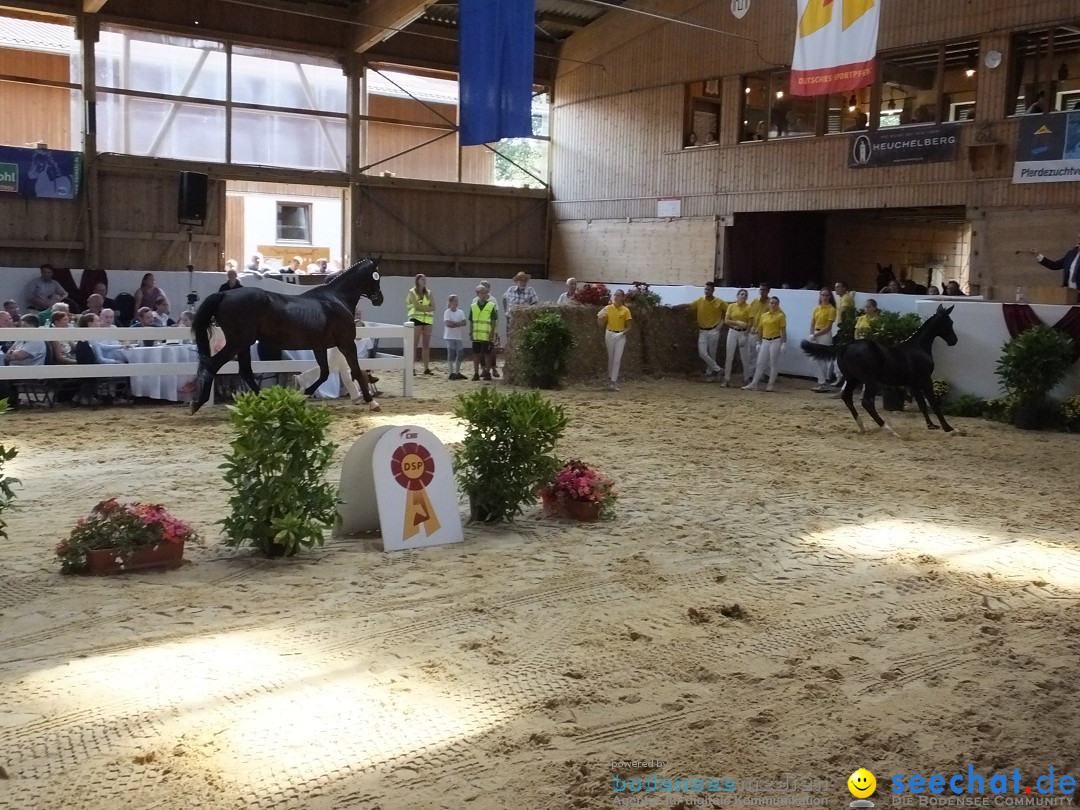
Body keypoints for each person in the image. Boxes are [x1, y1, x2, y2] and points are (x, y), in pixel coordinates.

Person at [742, 296, 786, 392]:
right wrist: (758, 342)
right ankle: (754, 383)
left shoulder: (780, 316)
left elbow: (783, 331)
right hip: (765, 340)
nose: (773, 305)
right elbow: (760, 329)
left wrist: (783, 343)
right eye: (771, 303)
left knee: (773, 363)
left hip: (775, 340)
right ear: (769, 304)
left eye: (775, 303)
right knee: (760, 362)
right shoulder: (764, 315)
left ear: (778, 305)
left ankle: (770, 384)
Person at [688, 281, 726, 380]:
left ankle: (710, 373)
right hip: (703, 330)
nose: (706, 291)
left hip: (714, 329)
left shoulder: (719, 302)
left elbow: (729, 310)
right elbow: (689, 307)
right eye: (705, 289)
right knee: (702, 353)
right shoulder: (700, 301)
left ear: (713, 290)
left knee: (712, 353)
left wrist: (722, 322)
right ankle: (718, 369)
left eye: (709, 289)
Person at [597, 288, 632, 391]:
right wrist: (599, 317)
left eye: (618, 295)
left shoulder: (625, 310)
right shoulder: (608, 308)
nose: (616, 297)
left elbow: (629, 327)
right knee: (611, 358)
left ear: (622, 297)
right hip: (609, 333)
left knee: (617, 359)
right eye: (615, 295)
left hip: (620, 335)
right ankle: (609, 379)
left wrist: (622, 333)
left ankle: (613, 381)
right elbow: (601, 325)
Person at [722, 288, 753, 387]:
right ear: (738, 295)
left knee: (745, 357)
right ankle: (726, 379)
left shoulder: (749, 307)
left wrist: (745, 335)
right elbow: (726, 321)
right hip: (733, 331)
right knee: (729, 356)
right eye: (742, 294)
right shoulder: (731, 306)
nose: (743, 296)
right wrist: (736, 322)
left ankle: (746, 378)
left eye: (745, 295)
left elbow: (750, 323)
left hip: (743, 333)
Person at [808, 287, 837, 393]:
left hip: (824, 334)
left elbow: (828, 327)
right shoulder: (817, 308)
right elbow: (812, 322)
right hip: (816, 333)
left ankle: (823, 383)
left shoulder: (832, 309)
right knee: (815, 359)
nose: (824, 297)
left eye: (826, 295)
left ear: (830, 297)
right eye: (822, 295)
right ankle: (822, 381)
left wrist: (816, 334)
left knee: (823, 360)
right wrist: (812, 334)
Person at [406, 273, 435, 375]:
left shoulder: (429, 293)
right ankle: (411, 368)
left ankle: (426, 368)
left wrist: (424, 308)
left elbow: (434, 307)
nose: (424, 281)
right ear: (417, 280)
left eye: (425, 279)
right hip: (416, 319)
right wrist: (427, 308)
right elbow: (416, 307)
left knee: (426, 345)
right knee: (414, 345)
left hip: (427, 320)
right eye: (422, 279)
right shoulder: (412, 292)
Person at [469, 284, 498, 381]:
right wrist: (471, 332)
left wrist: (492, 333)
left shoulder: (491, 305)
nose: (484, 295)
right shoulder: (473, 306)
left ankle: (487, 373)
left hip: (486, 334)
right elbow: (471, 321)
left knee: (487, 353)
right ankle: (476, 373)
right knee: (476, 354)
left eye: (486, 293)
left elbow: (494, 321)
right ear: (478, 294)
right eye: (482, 293)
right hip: (476, 334)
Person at [746, 283, 771, 380]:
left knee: (766, 354)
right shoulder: (754, 302)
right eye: (760, 289)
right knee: (752, 354)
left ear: (768, 291)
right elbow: (749, 316)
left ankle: (765, 374)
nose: (762, 291)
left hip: (766, 333)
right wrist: (750, 327)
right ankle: (751, 374)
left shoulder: (771, 303)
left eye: (764, 290)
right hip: (754, 331)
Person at [443, 294, 467, 380]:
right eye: (455, 301)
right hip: (449, 336)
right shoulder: (447, 312)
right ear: (450, 302)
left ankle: (457, 372)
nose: (457, 303)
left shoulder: (460, 312)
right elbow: (448, 324)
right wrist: (458, 323)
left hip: (458, 336)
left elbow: (464, 322)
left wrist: (455, 323)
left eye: (457, 301)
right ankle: (451, 372)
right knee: (451, 354)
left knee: (460, 354)